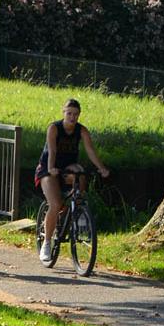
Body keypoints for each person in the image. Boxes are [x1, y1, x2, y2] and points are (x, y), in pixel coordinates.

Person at [35, 98, 111, 262]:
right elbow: (52, 150)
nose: (72, 117)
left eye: (75, 114)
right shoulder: (54, 128)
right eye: (69, 113)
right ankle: (47, 243)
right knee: (55, 203)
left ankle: (78, 212)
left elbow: (90, 150)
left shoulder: (82, 130)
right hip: (49, 167)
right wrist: (51, 169)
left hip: (69, 166)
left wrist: (102, 168)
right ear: (63, 112)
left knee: (80, 174)